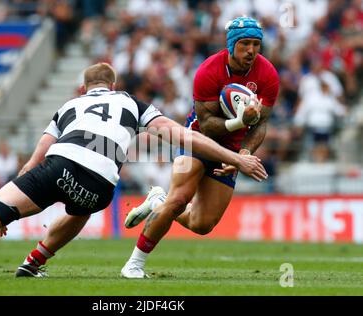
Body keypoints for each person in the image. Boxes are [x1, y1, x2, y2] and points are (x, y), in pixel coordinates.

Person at [0, 63, 267, 278]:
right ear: (112, 87)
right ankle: (34, 262)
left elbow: (34, 160)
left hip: (59, 163)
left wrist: (7, 210)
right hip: (99, 184)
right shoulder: (130, 102)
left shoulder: (68, 105)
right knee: (81, 208)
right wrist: (237, 158)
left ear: (84, 89)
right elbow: (184, 136)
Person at [120, 16, 280, 278]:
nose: (251, 50)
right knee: (178, 201)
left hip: (232, 150)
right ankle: (134, 265)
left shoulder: (268, 74)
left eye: (256, 44)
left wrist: (243, 154)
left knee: (202, 224)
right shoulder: (208, 70)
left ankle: (157, 200)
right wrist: (240, 121)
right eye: (244, 44)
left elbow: (261, 125)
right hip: (196, 142)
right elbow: (206, 125)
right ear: (231, 45)